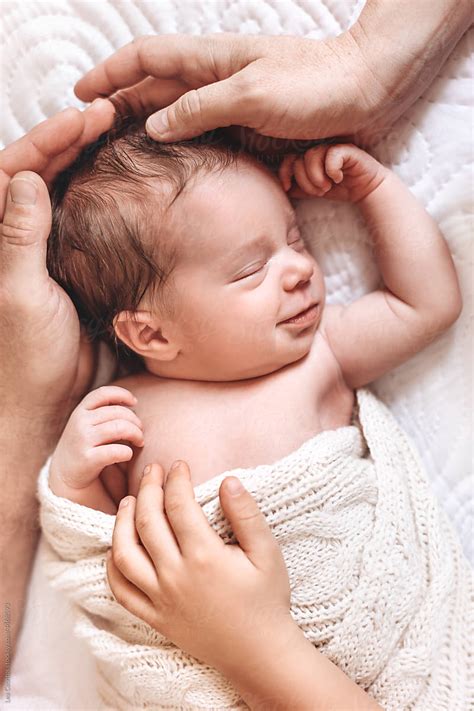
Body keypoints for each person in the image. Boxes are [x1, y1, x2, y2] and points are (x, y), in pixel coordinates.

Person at [1, 0, 471, 700]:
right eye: (250, 270)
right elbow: (99, 544)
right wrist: (72, 475)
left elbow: (427, 304)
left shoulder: (320, 354)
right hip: (196, 656)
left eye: (295, 238)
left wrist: (373, 187)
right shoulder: (123, 407)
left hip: (349, 632)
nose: (298, 270)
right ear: (151, 333)